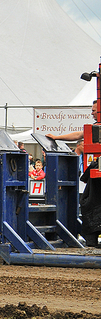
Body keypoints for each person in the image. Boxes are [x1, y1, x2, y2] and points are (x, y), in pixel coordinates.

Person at [47, 100, 100, 247]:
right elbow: (78, 135)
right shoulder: (94, 127)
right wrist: (57, 137)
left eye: (94, 110)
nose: (92, 113)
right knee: (89, 204)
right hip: (96, 175)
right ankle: (92, 240)